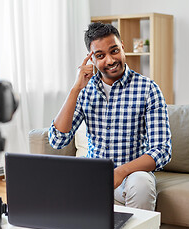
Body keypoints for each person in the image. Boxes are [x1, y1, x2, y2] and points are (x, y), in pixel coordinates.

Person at [48, 22, 172, 211]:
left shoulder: (148, 89)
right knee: (57, 180)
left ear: (123, 47)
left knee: (141, 184)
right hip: (94, 172)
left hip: (132, 174)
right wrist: (75, 89)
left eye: (114, 51)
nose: (110, 60)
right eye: (100, 56)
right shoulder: (85, 90)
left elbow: (162, 150)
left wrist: (120, 172)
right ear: (92, 59)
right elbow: (57, 140)